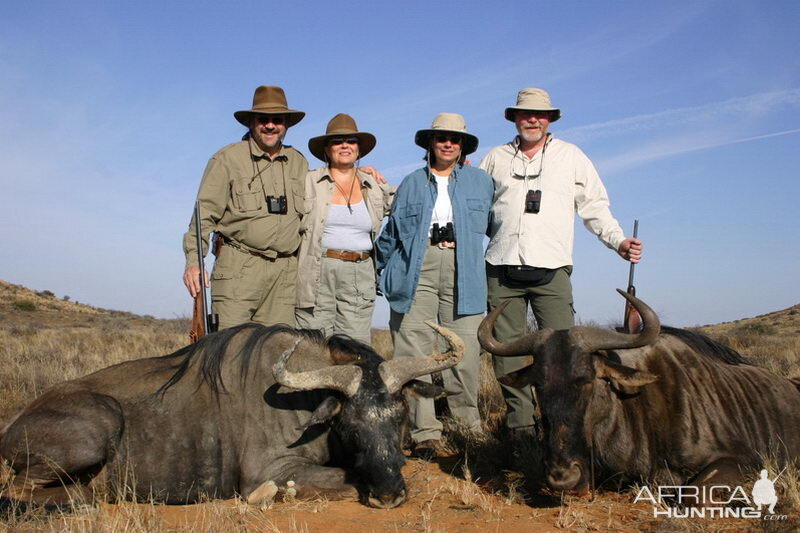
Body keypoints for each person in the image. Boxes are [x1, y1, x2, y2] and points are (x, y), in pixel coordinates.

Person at [479, 88, 643, 437]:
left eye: (540, 114)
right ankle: (521, 425)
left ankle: (561, 424)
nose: (533, 120)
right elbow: (473, 202)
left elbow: (595, 207)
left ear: (550, 119)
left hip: (551, 272)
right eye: (526, 114)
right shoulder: (495, 157)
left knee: (564, 354)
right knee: (506, 351)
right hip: (501, 268)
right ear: (515, 118)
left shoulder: (572, 156)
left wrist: (618, 241)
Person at [376, 113, 494, 460]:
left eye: (455, 139)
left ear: (462, 147)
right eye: (441, 137)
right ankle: (424, 432)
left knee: (465, 353)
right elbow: (392, 233)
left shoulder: (482, 182)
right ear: (430, 142)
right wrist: (378, 268)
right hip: (419, 269)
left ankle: (466, 426)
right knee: (413, 351)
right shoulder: (411, 183)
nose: (447, 143)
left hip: (465, 270)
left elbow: (496, 226)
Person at [182, 85, 308, 329]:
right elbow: (203, 216)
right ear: (252, 123)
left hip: (285, 275)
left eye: (277, 120)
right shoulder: (227, 159)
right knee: (230, 352)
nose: (270, 125)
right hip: (239, 268)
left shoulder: (299, 162)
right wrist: (194, 262)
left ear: (286, 125)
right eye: (263, 119)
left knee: (277, 353)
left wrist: (363, 172)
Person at [295, 114, 394, 344]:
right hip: (318, 270)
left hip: (360, 272)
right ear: (327, 150)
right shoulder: (307, 181)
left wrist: (453, 167)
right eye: (337, 141)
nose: (345, 146)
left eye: (351, 141)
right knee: (314, 345)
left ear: (359, 150)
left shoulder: (375, 185)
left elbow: (412, 199)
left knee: (355, 348)